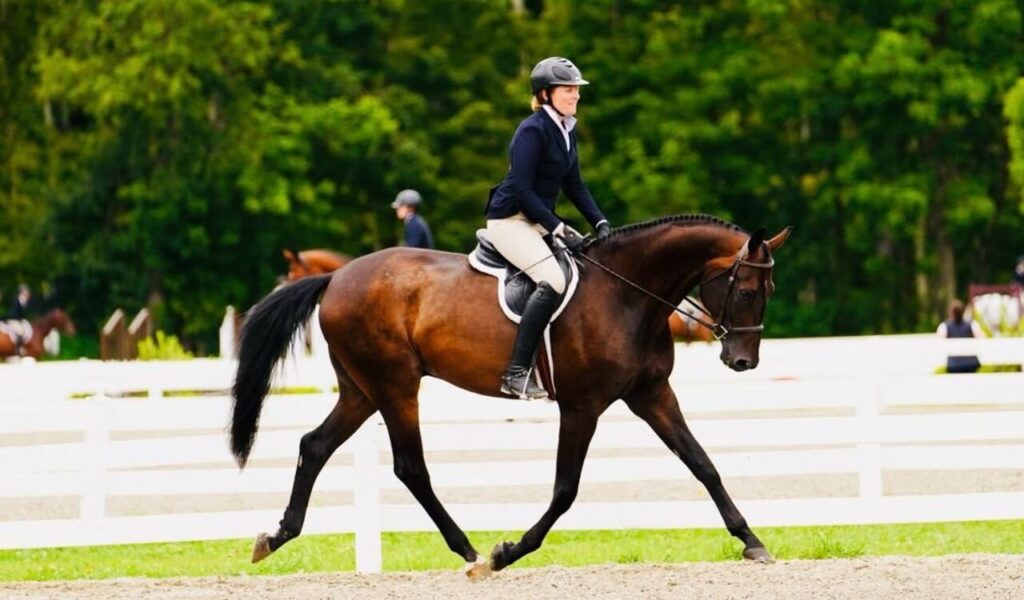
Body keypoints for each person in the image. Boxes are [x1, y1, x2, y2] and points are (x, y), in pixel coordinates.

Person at [483, 56, 612, 400]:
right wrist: (558, 227)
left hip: (536, 221)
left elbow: (575, 185)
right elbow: (523, 192)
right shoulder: (532, 130)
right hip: (510, 220)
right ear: (544, 94)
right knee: (553, 280)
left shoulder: (566, 130)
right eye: (568, 90)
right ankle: (516, 373)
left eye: (577, 90)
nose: (576, 96)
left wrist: (599, 221)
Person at [936, 299, 982, 374]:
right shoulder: (972, 324)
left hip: (954, 363)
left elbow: (939, 342)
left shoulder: (944, 326)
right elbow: (981, 338)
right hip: (971, 363)